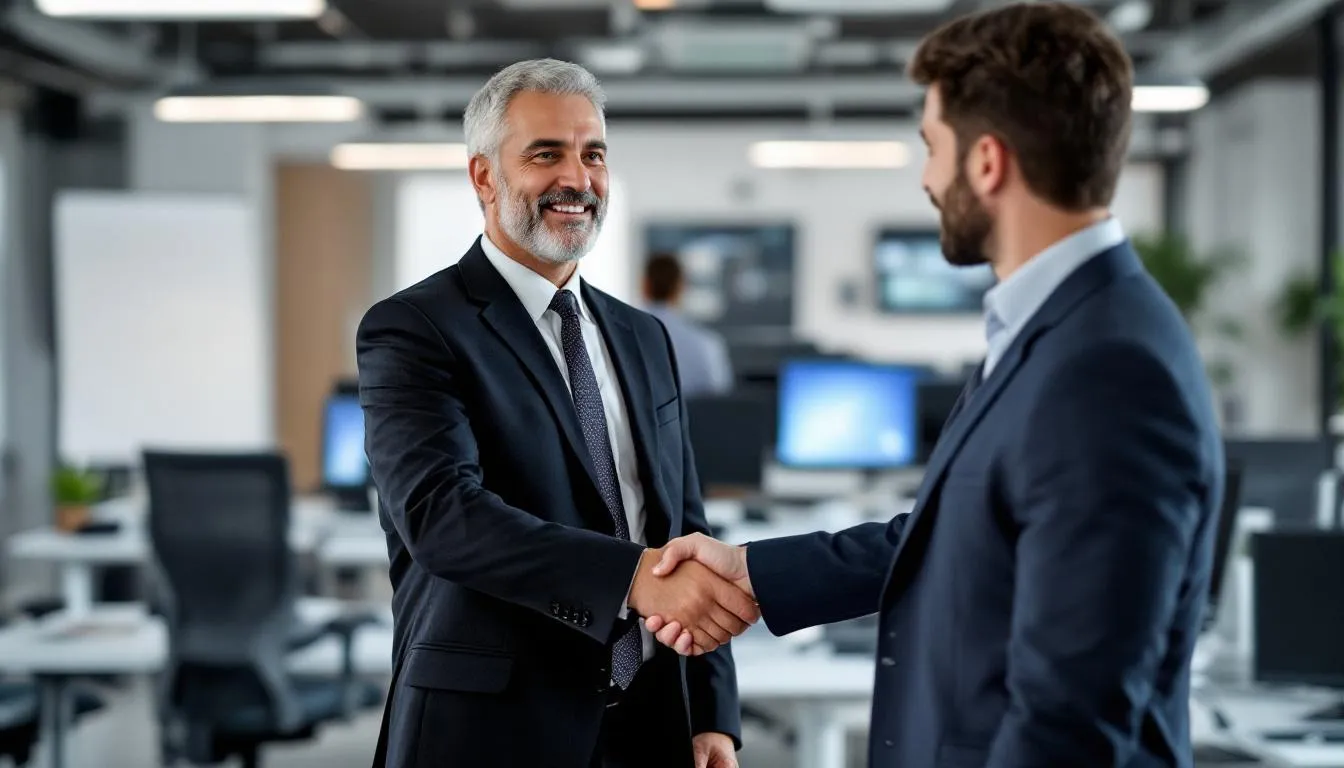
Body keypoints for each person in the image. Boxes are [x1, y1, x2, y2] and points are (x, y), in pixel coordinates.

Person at [645, 4, 1225, 767]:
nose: (925, 178)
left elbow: (1071, 719)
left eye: (931, 147)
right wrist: (756, 570)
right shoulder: (1053, 327)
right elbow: (953, 535)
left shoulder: (1107, 368)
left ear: (986, 163)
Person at [356, 58, 756, 768]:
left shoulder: (643, 336)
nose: (577, 178)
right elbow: (443, 517)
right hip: (489, 731)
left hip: (648, 725)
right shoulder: (416, 328)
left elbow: (684, 526)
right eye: (546, 154)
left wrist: (711, 712)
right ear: (484, 176)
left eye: (592, 154)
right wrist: (630, 576)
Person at [641, 253, 733, 398]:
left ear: (645, 285)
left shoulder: (621, 340)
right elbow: (720, 398)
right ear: (680, 288)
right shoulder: (707, 345)